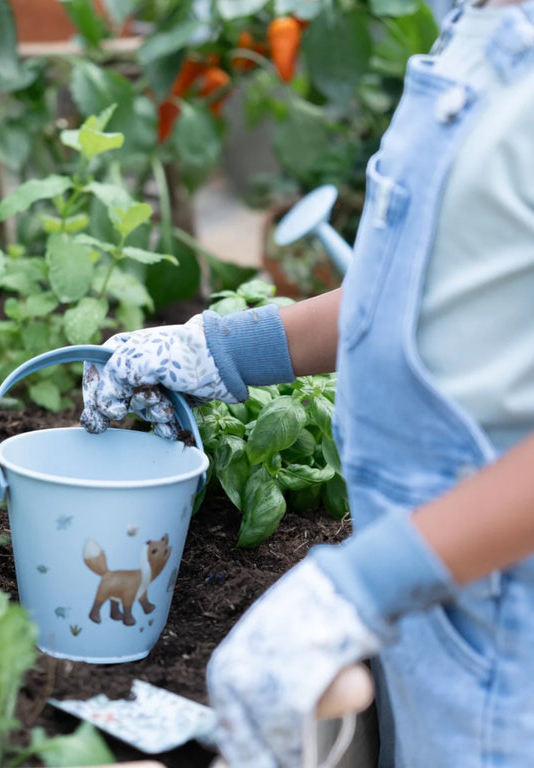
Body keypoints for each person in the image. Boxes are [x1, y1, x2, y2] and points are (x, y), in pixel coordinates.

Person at [80, 0, 534, 765]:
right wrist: (223, 349)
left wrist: (359, 586)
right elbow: (422, 297)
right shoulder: (475, 36)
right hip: (432, 596)